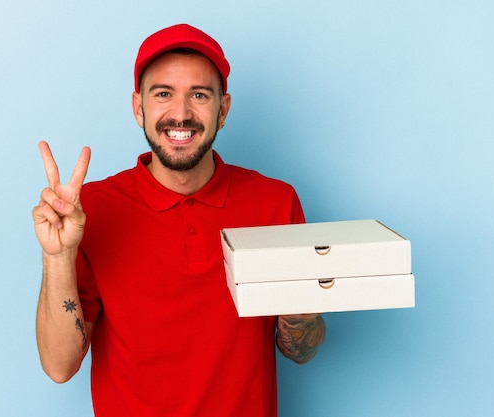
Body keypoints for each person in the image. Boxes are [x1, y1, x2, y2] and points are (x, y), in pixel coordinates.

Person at [33, 23, 325, 417]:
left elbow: (300, 350)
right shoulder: (91, 211)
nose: (181, 114)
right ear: (139, 108)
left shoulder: (276, 203)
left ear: (223, 110)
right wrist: (58, 257)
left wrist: (303, 312)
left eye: (199, 95)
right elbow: (59, 366)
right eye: (163, 94)